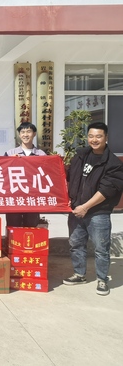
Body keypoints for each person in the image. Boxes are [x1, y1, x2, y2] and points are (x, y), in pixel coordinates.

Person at [63, 122, 123, 296]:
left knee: (101, 248)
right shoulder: (80, 156)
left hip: (98, 212)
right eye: (91, 136)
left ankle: (102, 279)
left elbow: (106, 190)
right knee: (76, 244)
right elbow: (67, 175)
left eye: (98, 136)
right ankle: (79, 274)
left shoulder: (113, 163)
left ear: (106, 138)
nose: (94, 140)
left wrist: (85, 207)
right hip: (76, 210)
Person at [4, 122, 47, 228]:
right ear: (19, 135)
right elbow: (2, 172)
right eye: (22, 132)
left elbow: (47, 174)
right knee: (13, 227)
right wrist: (9, 161)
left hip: (33, 197)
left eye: (28, 132)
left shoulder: (41, 154)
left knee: (31, 227)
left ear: (34, 134)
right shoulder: (10, 153)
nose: (25, 135)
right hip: (14, 197)